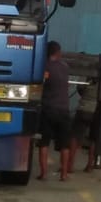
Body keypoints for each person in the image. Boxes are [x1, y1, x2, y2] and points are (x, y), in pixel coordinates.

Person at [37, 41, 73, 181]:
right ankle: (64, 174)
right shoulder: (65, 67)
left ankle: (44, 173)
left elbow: (41, 83)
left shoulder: (43, 67)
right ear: (58, 52)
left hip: (48, 108)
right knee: (65, 144)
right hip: (63, 109)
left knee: (44, 142)